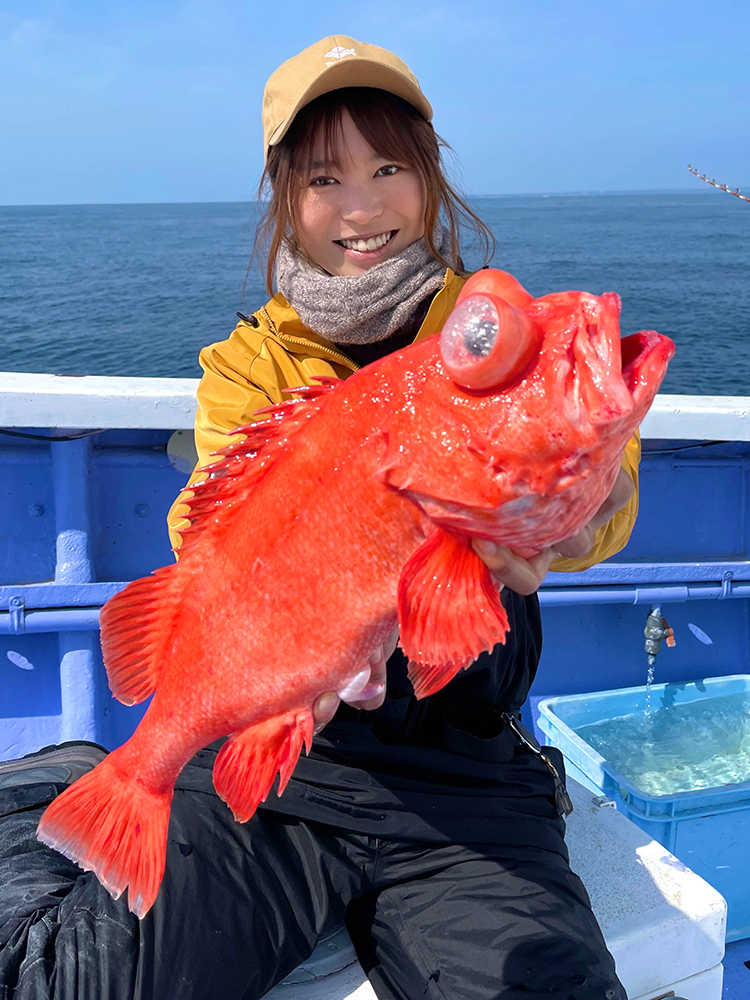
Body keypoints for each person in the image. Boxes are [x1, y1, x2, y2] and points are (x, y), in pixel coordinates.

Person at [0, 35, 639, 1000]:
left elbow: (603, 495)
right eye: (324, 178)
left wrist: (571, 521)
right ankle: (95, 779)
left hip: (464, 790)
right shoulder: (244, 364)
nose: (362, 205)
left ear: (428, 179)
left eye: (389, 167)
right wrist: (291, 662)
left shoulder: (485, 331)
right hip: (289, 776)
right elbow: (205, 535)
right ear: (286, 201)